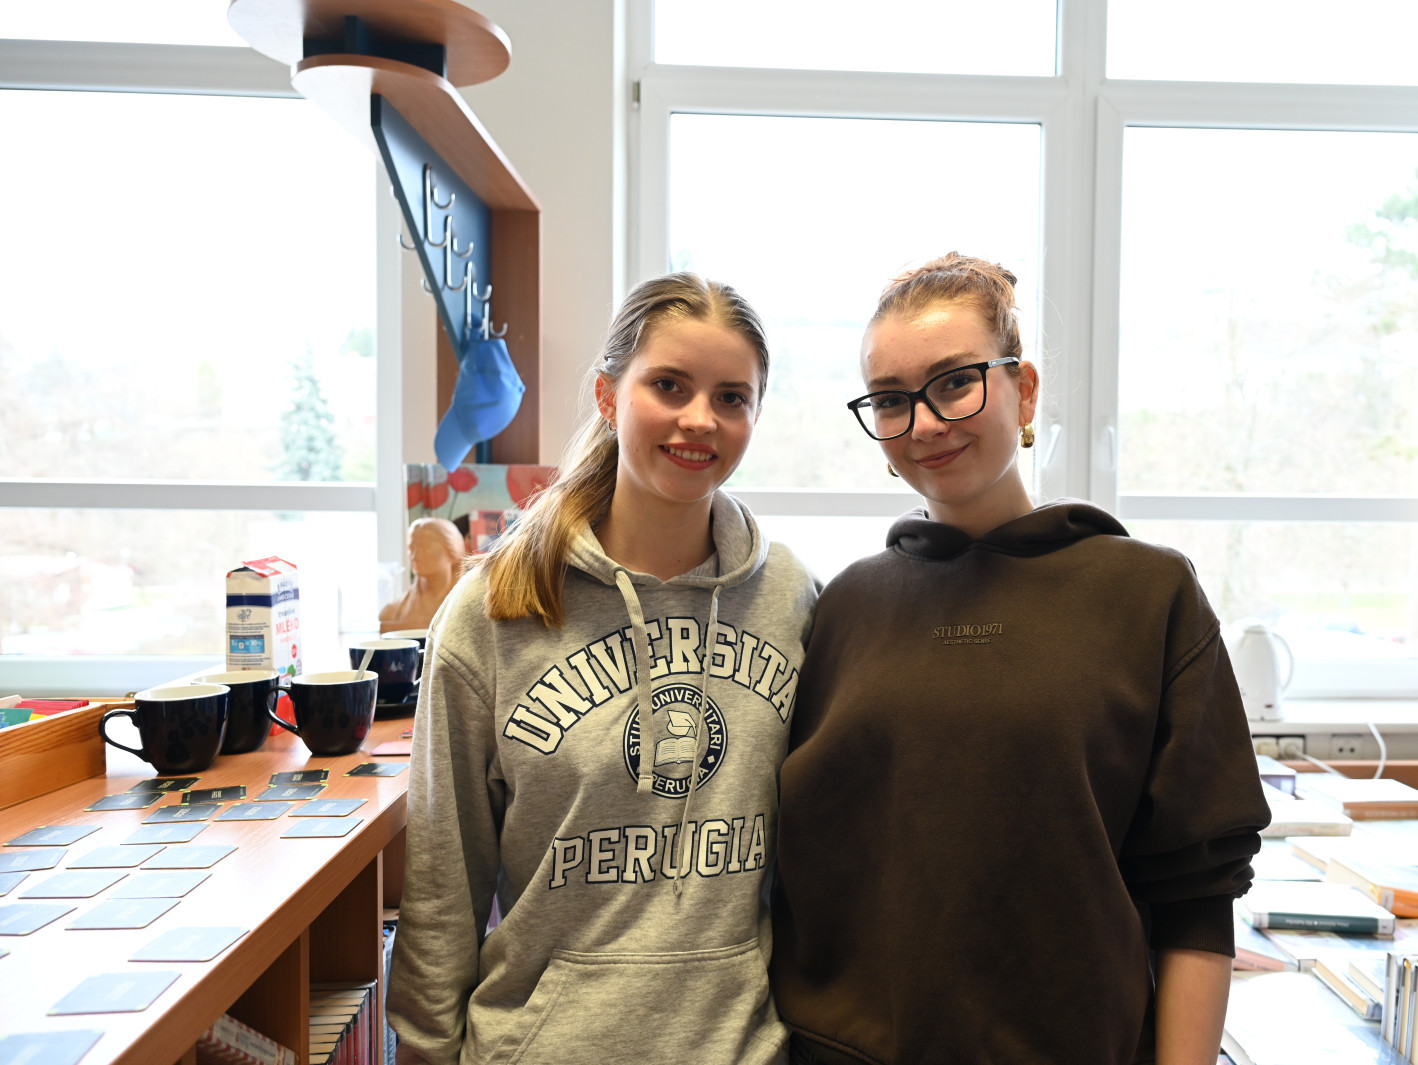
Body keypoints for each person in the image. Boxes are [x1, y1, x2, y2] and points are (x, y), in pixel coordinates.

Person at [770, 253, 1271, 1065]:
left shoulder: (1148, 595)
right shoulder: (845, 608)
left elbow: (1198, 895)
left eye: (954, 382)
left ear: (1024, 390)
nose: (925, 423)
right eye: (891, 399)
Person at [387, 273, 819, 1065]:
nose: (700, 418)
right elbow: (443, 886)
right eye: (669, 385)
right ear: (608, 395)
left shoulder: (790, 598)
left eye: (732, 397)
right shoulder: (493, 611)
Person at [379, 516, 466, 631]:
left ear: (452, 549)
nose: (415, 556)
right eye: (411, 548)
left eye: (425, 547)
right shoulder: (392, 612)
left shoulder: (468, 606)